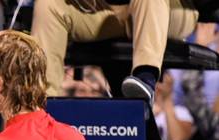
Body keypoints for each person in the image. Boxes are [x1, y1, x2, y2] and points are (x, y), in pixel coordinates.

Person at [31, 0, 199, 101]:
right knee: (49, 4)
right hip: (108, 10)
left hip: (169, 9)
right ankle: (39, 106)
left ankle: (144, 79)